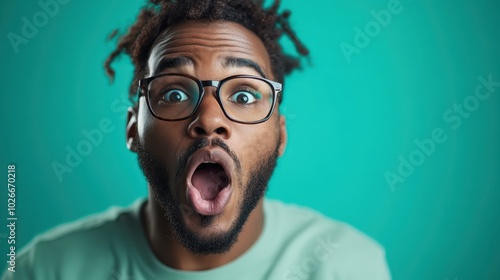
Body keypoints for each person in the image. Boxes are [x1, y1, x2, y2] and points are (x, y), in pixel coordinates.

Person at [2, 0, 391, 279]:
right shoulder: (45, 268)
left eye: (243, 95)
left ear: (280, 136)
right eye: (174, 93)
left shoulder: (347, 265)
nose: (209, 120)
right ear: (133, 129)